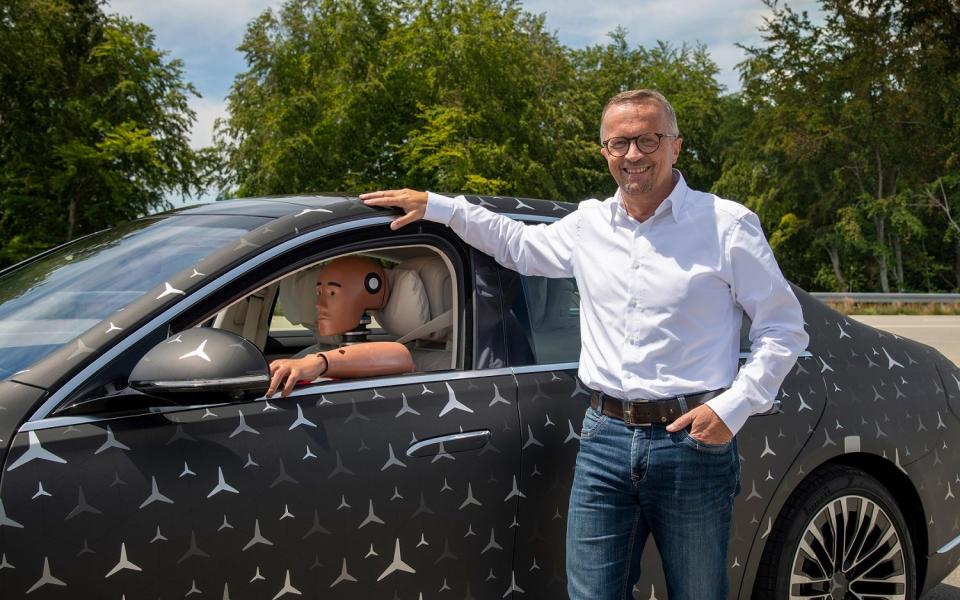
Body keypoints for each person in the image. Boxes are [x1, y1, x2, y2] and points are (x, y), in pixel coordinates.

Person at [360, 89, 808, 600]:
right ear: (605, 153)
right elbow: (519, 246)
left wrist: (734, 407)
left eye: (647, 139)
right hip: (605, 438)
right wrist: (437, 207)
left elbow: (784, 328)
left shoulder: (726, 225)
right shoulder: (590, 223)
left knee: (698, 593)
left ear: (676, 146)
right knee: (592, 595)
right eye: (620, 143)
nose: (633, 155)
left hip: (692, 440)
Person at [266, 255, 414, 397]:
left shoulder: (395, 355)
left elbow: (401, 356)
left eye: (332, 293)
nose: (319, 305)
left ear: (372, 289)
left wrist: (320, 363)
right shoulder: (310, 354)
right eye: (319, 293)